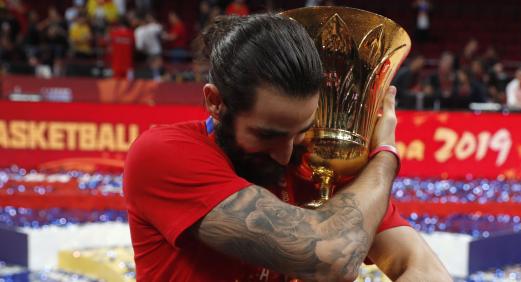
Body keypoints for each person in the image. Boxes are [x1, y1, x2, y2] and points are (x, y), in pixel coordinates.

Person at [123, 14, 451, 281]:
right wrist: (385, 158)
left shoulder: (316, 163)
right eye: (267, 135)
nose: (285, 154)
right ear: (215, 103)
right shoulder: (163, 154)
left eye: (301, 131)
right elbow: (329, 258)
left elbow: (426, 270)